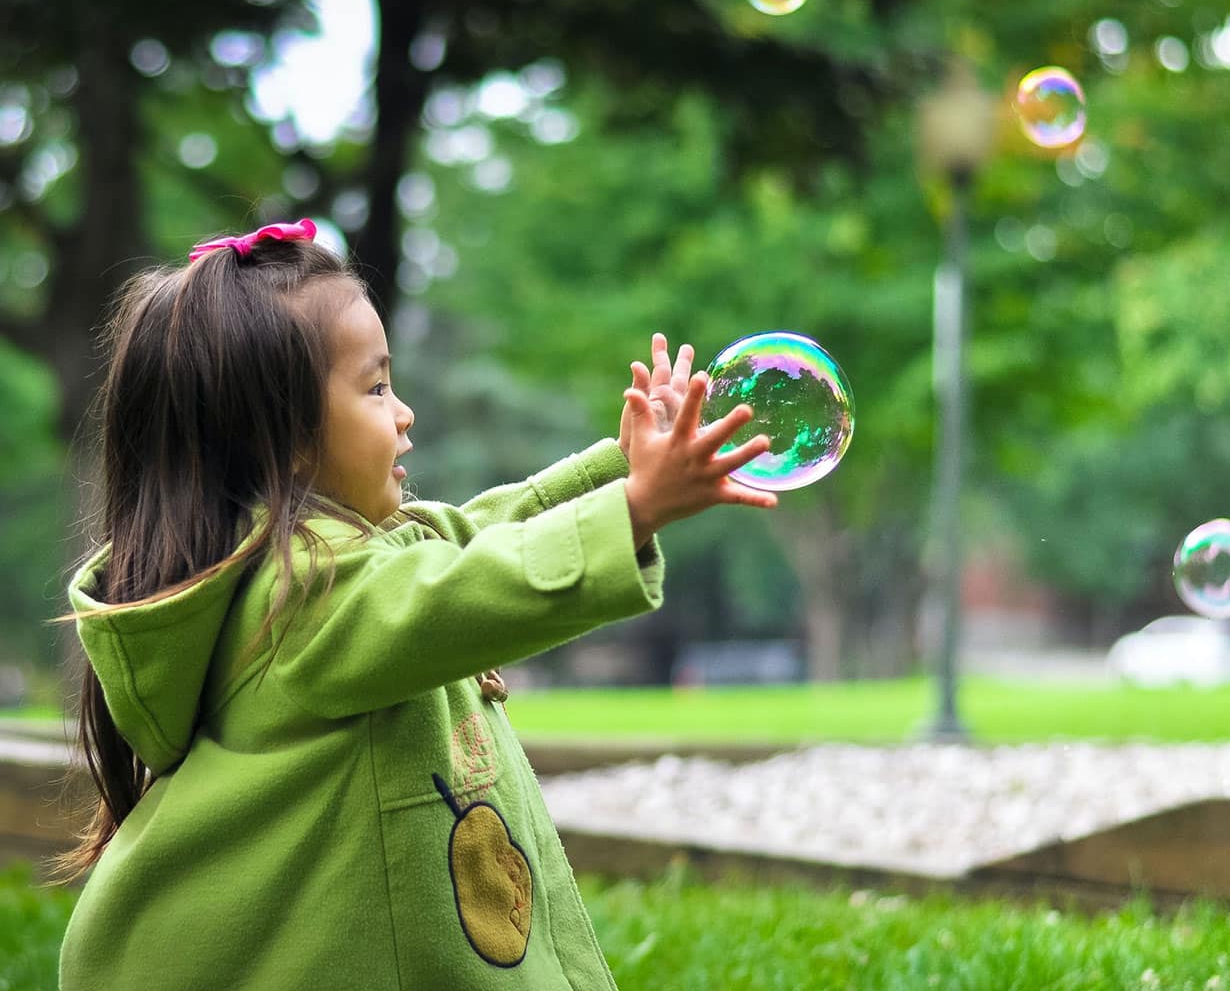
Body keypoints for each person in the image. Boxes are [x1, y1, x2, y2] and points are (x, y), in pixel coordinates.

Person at [55, 219, 775, 990]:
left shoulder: (324, 564)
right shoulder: (300, 599)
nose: (404, 414)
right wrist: (632, 510)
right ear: (288, 439)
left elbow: (466, 538)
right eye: (375, 388)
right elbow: (461, 589)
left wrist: (621, 473)